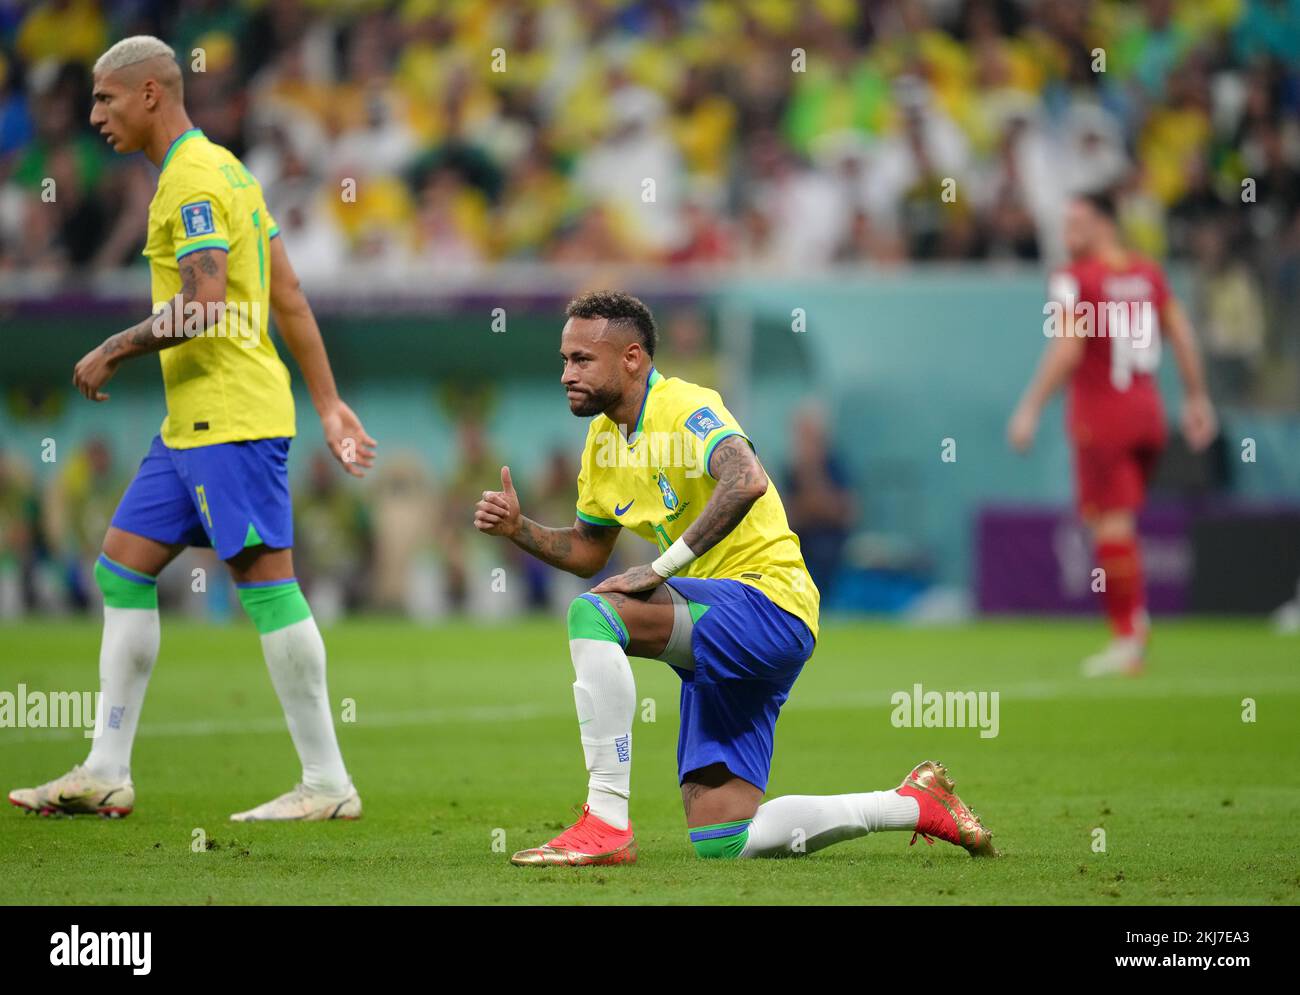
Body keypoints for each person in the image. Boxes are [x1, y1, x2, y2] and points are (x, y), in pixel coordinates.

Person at [475, 290, 996, 864]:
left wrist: (661, 566)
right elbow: (588, 550)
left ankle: (605, 821)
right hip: (717, 630)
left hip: (766, 603)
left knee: (591, 614)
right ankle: (913, 805)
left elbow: (744, 478)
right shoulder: (602, 442)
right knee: (724, 838)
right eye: (564, 360)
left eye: (581, 360)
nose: (566, 373)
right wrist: (520, 528)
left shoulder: (684, 406)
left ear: (631, 358)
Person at [8, 36, 376, 821]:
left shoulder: (193, 182)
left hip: (229, 416)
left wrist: (114, 347)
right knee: (120, 567)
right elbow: (290, 295)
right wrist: (329, 402)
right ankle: (106, 767)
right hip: (190, 425)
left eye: (105, 99)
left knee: (266, 584)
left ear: (149, 94)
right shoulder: (229, 171)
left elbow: (205, 303)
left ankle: (327, 781)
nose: (94, 114)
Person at [1008, 192, 1217, 676]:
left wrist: (1030, 407)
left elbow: (1068, 349)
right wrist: (1196, 397)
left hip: (1102, 416)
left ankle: (1128, 638)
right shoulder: (1148, 273)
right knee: (1120, 520)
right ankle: (1135, 627)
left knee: (1110, 523)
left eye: (1077, 222)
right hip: (1149, 414)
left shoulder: (1073, 279)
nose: (1067, 233)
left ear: (1105, 224)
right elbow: (1182, 334)